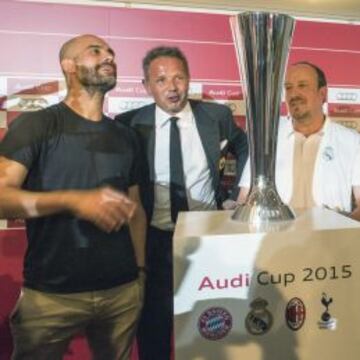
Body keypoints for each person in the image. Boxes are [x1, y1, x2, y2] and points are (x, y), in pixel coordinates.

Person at [0, 34, 146, 360]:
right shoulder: (36, 125)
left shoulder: (127, 136)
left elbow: (135, 210)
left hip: (122, 292)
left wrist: (140, 274)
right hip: (52, 295)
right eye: (95, 51)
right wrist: (74, 200)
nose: (108, 56)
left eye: (111, 52)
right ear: (68, 66)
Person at [115, 46, 248, 360]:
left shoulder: (216, 116)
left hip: (206, 238)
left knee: (212, 325)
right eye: (161, 80)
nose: (172, 87)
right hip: (154, 240)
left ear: (189, 79)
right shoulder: (129, 123)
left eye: (179, 78)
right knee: (153, 328)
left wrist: (236, 197)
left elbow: (245, 149)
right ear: (147, 86)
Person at [238, 61, 360, 220]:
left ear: (322, 94)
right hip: (276, 238)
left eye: (302, 86)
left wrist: (343, 230)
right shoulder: (265, 139)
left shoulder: (352, 141)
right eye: (289, 87)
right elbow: (245, 196)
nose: (294, 94)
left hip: (329, 239)